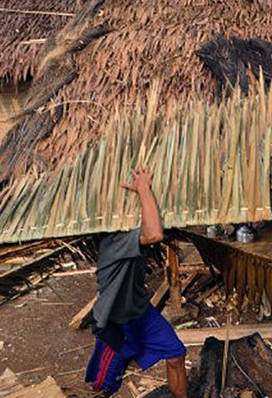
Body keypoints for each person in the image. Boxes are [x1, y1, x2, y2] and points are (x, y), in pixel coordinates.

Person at [85, 168, 188, 398]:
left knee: (176, 354)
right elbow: (154, 234)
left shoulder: (128, 233)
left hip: (141, 313)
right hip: (116, 323)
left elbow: (154, 227)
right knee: (106, 383)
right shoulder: (113, 242)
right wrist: (143, 188)